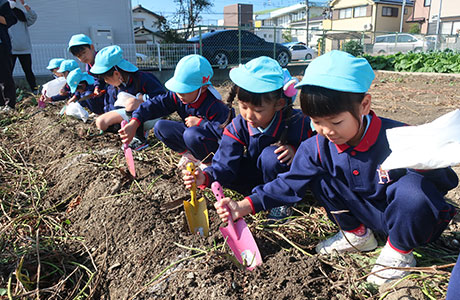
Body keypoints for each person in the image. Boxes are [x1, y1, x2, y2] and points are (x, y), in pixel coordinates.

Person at [214, 50, 458, 284]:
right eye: (317, 122)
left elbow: (445, 182)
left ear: (364, 105)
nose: (327, 131)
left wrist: (428, 163)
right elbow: (289, 183)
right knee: (318, 177)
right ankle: (357, 234)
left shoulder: (400, 136)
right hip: (364, 213)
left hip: (407, 221)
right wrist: (243, 206)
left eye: (336, 122)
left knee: (413, 189)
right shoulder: (317, 146)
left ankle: (399, 252)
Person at [183, 56, 313, 220]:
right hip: (254, 177)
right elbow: (224, 164)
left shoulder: (298, 122)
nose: (248, 115)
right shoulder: (238, 126)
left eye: (257, 109)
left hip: (284, 182)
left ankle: (281, 202)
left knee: (272, 157)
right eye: (243, 107)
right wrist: (205, 176)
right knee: (233, 170)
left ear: (279, 104)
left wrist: (296, 151)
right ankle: (257, 196)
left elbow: (316, 150)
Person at [119, 54, 230, 162]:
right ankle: (191, 156)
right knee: (161, 127)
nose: (180, 94)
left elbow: (225, 134)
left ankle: (207, 163)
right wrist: (134, 122)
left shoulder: (215, 105)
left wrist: (201, 123)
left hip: (213, 147)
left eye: (185, 90)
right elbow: (155, 104)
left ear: (203, 88)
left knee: (191, 134)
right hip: (193, 139)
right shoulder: (178, 96)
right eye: (178, 89)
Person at [90, 45, 164, 149]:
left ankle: (139, 138)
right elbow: (112, 107)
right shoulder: (114, 87)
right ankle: (126, 131)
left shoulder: (143, 78)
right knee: (101, 122)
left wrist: (143, 98)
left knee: (131, 103)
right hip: (131, 115)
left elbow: (162, 97)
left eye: (106, 78)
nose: (105, 81)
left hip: (151, 115)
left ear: (116, 74)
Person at [68, 34, 106, 111]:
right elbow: (96, 79)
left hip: (112, 87)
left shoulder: (102, 59)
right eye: (79, 56)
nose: (82, 57)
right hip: (103, 88)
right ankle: (100, 113)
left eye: (84, 53)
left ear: (92, 47)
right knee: (86, 95)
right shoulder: (88, 65)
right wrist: (97, 88)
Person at [8, 0, 37, 93]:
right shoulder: (4, 15)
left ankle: (35, 90)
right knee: (8, 73)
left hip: (24, 49)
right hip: (11, 49)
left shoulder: (21, 14)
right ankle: (8, 94)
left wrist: (24, 4)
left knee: (28, 72)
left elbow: (33, 16)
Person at [0, 0, 17, 112]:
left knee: (5, 74)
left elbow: (12, 20)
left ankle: (9, 104)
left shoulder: (2, 3)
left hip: (1, 45)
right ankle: (0, 104)